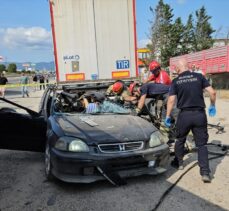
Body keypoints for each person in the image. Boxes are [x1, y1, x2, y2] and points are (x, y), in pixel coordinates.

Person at [164, 58, 216, 183]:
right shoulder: (199, 76)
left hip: (184, 116)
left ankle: (179, 163)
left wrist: (167, 116)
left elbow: (171, 100)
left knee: (180, 139)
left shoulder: (176, 81)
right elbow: (212, 92)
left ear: (178, 68)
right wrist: (212, 105)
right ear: (188, 66)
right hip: (199, 115)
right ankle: (205, 173)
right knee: (202, 145)